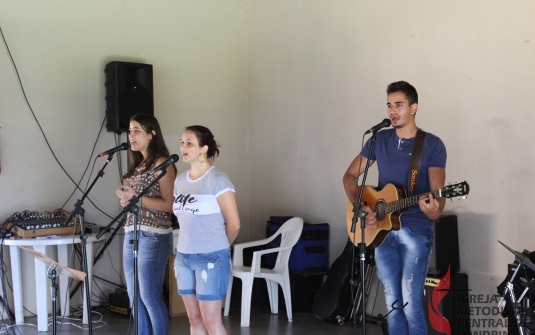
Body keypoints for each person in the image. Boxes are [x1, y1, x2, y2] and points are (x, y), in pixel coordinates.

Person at [343, 81, 447, 335]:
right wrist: (363, 204)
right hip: (381, 232)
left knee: (411, 305)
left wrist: (436, 210)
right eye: (389, 105)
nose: (393, 110)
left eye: (399, 104)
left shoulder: (431, 144)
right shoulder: (379, 139)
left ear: (414, 107)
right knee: (393, 302)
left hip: (416, 230)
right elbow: (349, 176)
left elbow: (438, 193)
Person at [173, 125, 240, 335]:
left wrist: (218, 248)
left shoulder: (218, 180)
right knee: (194, 319)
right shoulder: (180, 181)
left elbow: (234, 224)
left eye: (189, 143)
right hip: (183, 256)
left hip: (211, 258)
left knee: (211, 321)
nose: (184, 147)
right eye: (182, 142)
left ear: (204, 148)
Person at [116, 114, 176, 335]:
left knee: (149, 295)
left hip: (154, 235)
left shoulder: (162, 163)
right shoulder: (138, 164)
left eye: (136, 130)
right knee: (134, 296)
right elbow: (135, 200)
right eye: (130, 131)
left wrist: (136, 198)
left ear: (152, 134)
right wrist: (125, 197)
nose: (131, 135)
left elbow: (169, 204)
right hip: (132, 232)